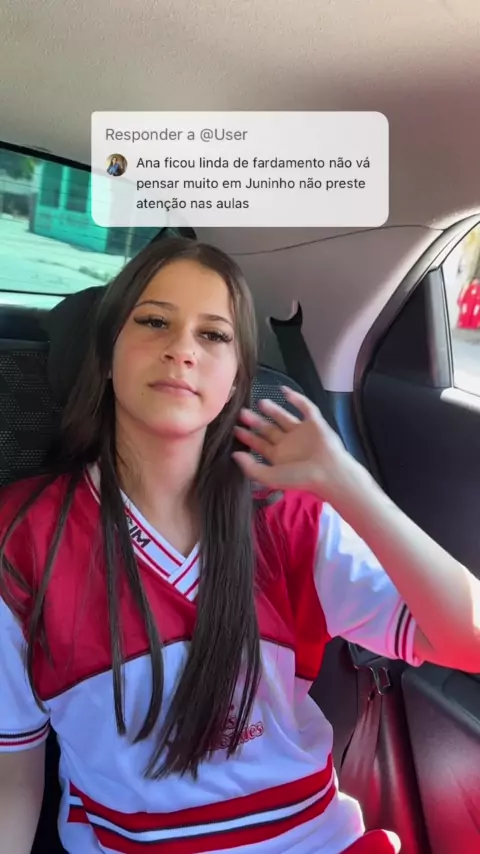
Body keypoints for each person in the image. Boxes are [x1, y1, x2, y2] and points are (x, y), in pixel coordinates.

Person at [0, 237, 479, 854]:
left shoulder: (290, 513)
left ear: (234, 382)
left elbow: (467, 641)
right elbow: (13, 775)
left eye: (213, 335)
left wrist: (349, 484)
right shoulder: (23, 538)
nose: (182, 349)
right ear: (108, 354)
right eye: (154, 321)